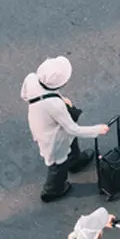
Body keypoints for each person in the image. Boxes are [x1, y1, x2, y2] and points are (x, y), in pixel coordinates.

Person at [20, 56, 109, 202]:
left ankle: (75, 161)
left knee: (70, 144)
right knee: (57, 163)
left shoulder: (31, 78)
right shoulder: (55, 105)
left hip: (43, 124)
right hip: (52, 138)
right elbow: (73, 129)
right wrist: (97, 130)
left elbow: (24, 95)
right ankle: (53, 189)